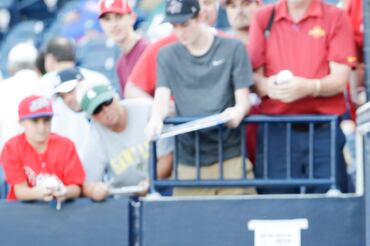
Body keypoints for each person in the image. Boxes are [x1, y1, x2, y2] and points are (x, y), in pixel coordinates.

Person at [145, 0, 253, 196]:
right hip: (188, 159)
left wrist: (237, 111)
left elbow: (243, 100)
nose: (180, 32)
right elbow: (161, 95)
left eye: (185, 24)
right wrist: (155, 118)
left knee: (238, 219)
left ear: (201, 17)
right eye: (174, 26)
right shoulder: (166, 55)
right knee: (188, 224)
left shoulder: (233, 48)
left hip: (230, 155)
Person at [249, 0, 356, 194]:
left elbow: (341, 79)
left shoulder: (335, 16)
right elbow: (254, 77)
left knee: (330, 204)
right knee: (276, 204)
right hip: (276, 130)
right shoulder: (263, 17)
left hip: (323, 129)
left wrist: (309, 87)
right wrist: (269, 87)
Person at [79, 84, 173, 201]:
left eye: (108, 102)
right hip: (123, 198)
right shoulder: (94, 134)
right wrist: (95, 190)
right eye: (97, 110)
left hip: (161, 188)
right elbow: (86, 184)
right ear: (92, 117)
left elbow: (167, 158)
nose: (106, 110)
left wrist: (151, 182)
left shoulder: (146, 108)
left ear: (116, 96)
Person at [124, 0, 223, 99]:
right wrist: (160, 106)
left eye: (207, 3)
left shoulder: (227, 43)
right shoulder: (162, 47)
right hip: (176, 113)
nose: (203, 8)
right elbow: (132, 89)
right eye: (175, 25)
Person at [1, 95, 84, 203]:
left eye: (46, 120)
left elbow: (76, 188)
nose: (42, 127)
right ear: (21, 123)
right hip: (23, 209)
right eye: (35, 121)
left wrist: (65, 192)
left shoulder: (66, 145)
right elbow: (20, 191)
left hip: (61, 209)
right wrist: (41, 192)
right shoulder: (11, 147)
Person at [98, 0, 149, 94]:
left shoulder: (147, 50)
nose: (113, 25)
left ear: (132, 18)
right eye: (107, 19)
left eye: (119, 17)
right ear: (101, 24)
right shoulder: (120, 64)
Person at [0, 42, 40, 149]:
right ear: (37, 66)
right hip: (43, 158)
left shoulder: (3, 87)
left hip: (6, 156)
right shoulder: (45, 85)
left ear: (11, 68)